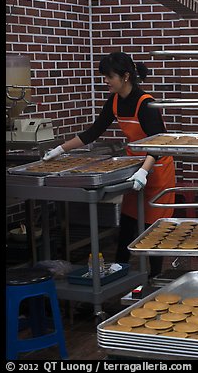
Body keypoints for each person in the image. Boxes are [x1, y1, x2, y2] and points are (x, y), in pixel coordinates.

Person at [43, 51, 175, 278]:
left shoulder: (146, 103)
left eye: (108, 76)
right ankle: (120, 274)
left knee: (154, 228)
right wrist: (60, 149)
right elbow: (93, 132)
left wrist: (145, 171)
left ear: (125, 77)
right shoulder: (114, 101)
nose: (105, 80)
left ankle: (155, 278)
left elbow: (160, 143)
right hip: (136, 168)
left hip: (158, 170)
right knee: (127, 224)